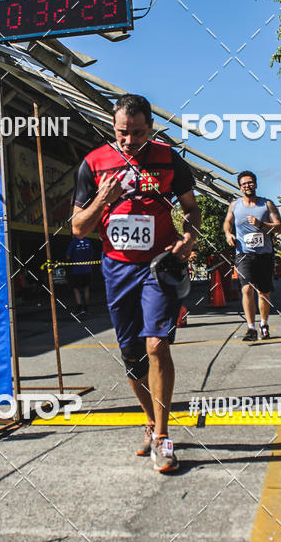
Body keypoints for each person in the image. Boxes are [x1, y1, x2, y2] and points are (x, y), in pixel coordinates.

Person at [71, 93, 201, 472]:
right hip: (117, 269)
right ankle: (149, 419)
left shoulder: (167, 157)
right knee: (131, 356)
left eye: (139, 132)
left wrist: (188, 237)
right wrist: (102, 199)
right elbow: (79, 227)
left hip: (159, 266)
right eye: (123, 133)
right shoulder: (94, 163)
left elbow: (191, 209)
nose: (130, 141)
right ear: (113, 127)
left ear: (150, 127)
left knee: (157, 343)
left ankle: (162, 436)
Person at [223, 171, 281, 341]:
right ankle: (251, 328)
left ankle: (263, 324)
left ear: (255, 184)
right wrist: (228, 234)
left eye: (250, 183)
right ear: (239, 187)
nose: (247, 186)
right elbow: (228, 222)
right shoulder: (235, 205)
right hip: (243, 254)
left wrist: (262, 224)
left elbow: (279, 227)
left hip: (264, 254)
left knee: (263, 292)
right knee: (246, 288)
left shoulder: (266, 204)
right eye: (243, 184)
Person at [65, 235, 95, 317]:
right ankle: (86, 309)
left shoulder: (73, 242)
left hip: (76, 270)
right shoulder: (88, 242)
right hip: (87, 269)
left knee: (76, 289)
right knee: (86, 288)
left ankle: (79, 308)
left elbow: (68, 256)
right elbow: (91, 255)